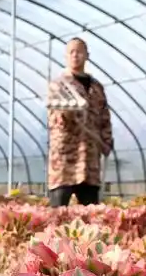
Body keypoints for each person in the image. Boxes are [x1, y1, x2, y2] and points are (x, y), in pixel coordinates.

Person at [46, 37, 114, 207]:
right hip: (64, 160)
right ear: (66, 56)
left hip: (90, 160)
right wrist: (66, 114)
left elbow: (105, 118)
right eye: (71, 52)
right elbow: (53, 118)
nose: (75, 55)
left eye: (79, 51)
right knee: (58, 213)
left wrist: (106, 142)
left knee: (91, 214)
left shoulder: (97, 88)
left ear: (87, 55)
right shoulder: (59, 85)